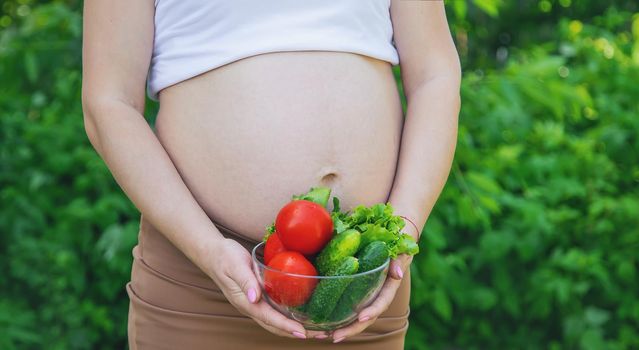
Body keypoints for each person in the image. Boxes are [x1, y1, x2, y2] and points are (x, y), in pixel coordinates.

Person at [81, 0, 460, 348]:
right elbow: (109, 102)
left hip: (359, 284)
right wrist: (209, 251)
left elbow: (435, 75)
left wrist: (401, 231)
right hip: (202, 282)